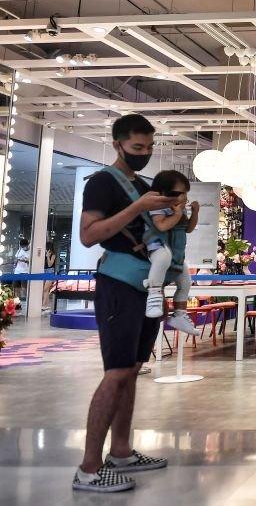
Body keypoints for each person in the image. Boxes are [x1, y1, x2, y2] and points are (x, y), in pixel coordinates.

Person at [74, 114, 178, 493]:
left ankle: (121, 450)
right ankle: (88, 467)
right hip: (118, 283)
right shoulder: (103, 183)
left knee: (132, 369)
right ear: (118, 144)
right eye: (137, 148)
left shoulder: (144, 186)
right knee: (117, 371)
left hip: (146, 284)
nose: (144, 154)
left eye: (149, 148)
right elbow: (89, 235)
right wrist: (137, 208)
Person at [142, 170, 200, 335]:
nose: (185, 198)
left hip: (177, 255)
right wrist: (176, 213)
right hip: (158, 247)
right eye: (182, 193)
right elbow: (161, 226)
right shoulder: (157, 207)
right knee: (162, 257)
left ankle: (180, 314)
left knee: (186, 282)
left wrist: (194, 213)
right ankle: (153, 296)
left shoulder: (180, 210)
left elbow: (188, 228)